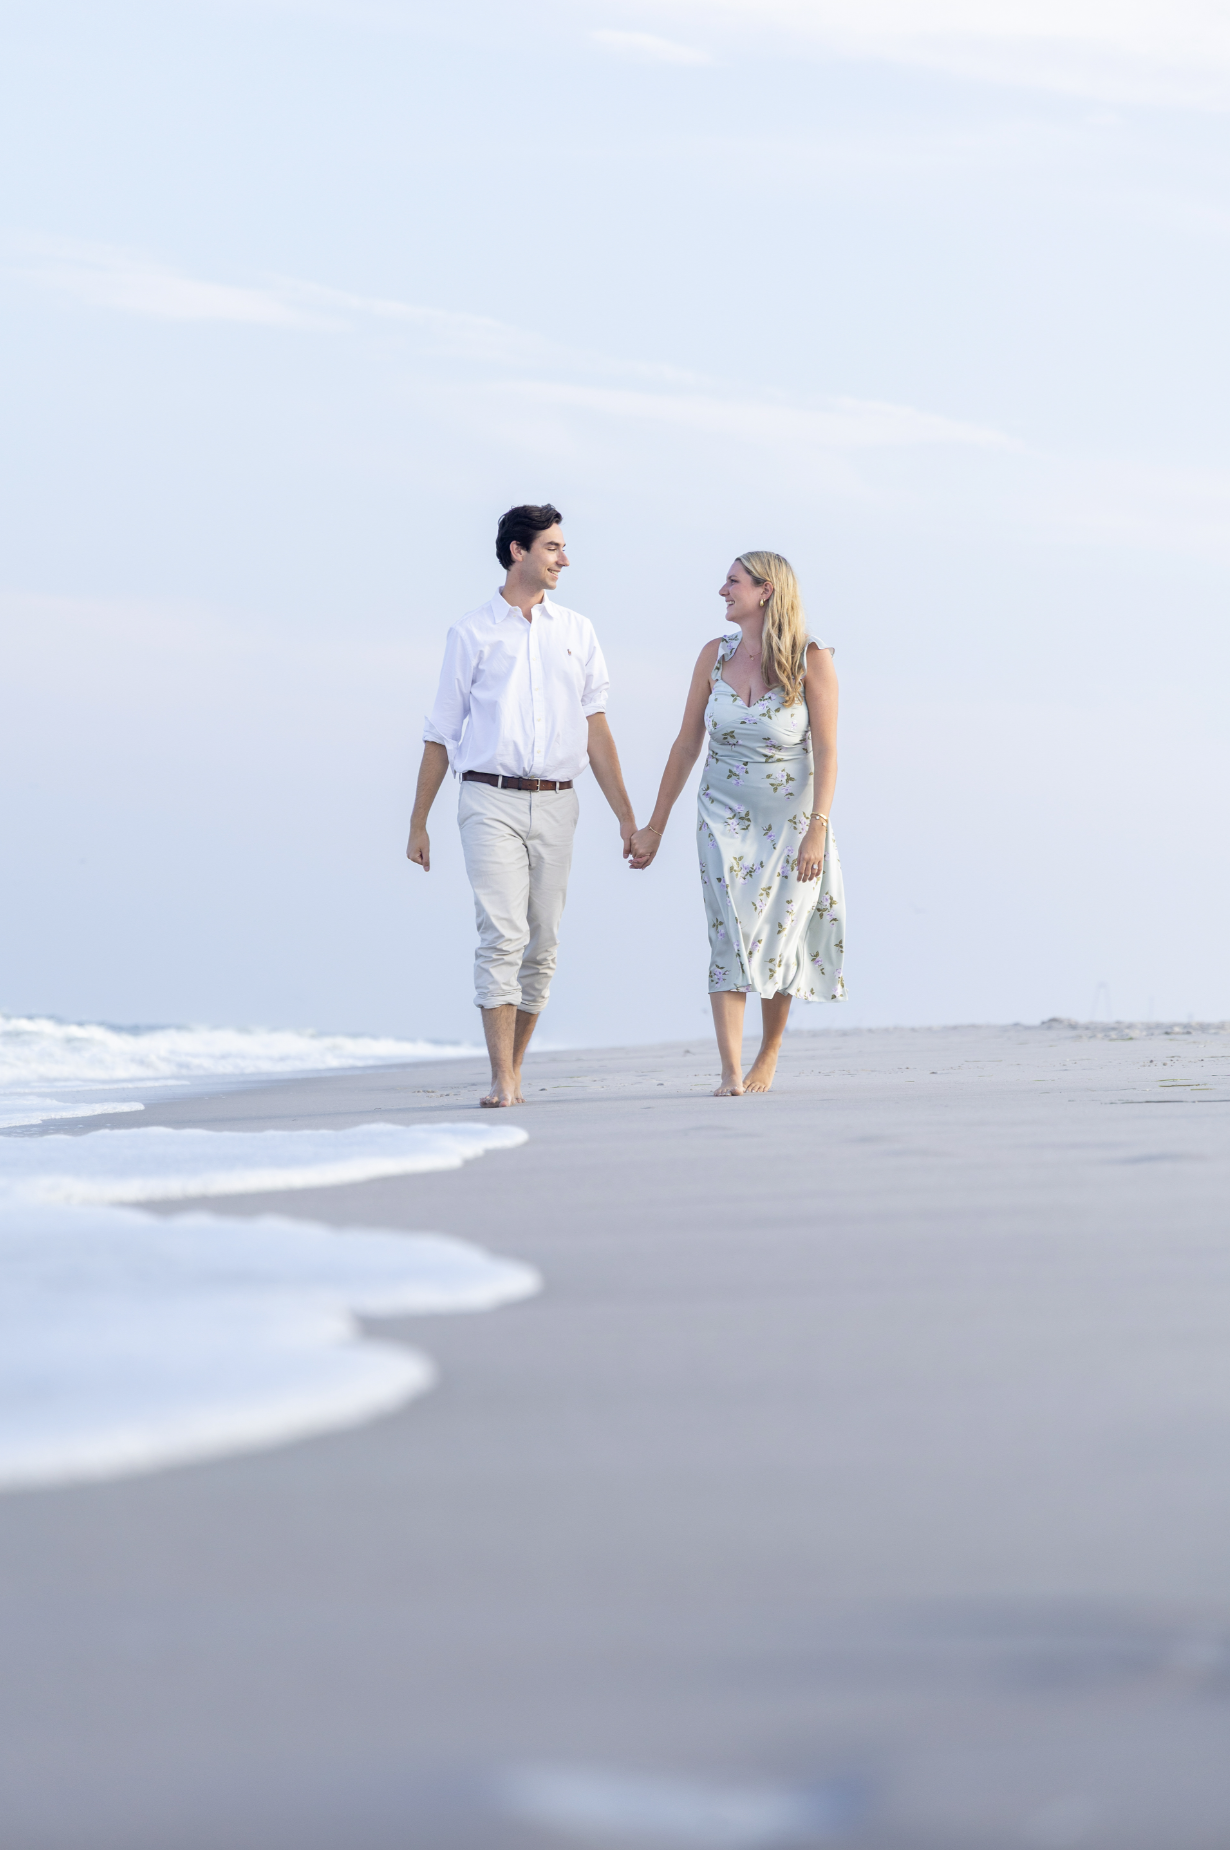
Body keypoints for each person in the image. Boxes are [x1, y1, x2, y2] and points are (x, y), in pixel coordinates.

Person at [407, 504, 637, 1108]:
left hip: (560, 803)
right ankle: (502, 1079)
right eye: (553, 548)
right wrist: (418, 821)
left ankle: (513, 1064)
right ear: (518, 552)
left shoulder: (578, 632)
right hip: (488, 798)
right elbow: (440, 733)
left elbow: (598, 732)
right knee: (502, 935)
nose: (565, 558)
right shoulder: (471, 633)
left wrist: (627, 819)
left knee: (543, 944)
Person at [629, 552, 845, 1096]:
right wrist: (654, 825)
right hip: (720, 815)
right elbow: (685, 745)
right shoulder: (713, 655)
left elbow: (828, 751)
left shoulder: (810, 659)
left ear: (766, 590)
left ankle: (768, 1052)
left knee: (780, 934)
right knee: (728, 931)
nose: (722, 590)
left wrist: (818, 826)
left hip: (793, 823)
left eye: (733, 582)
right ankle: (729, 1072)